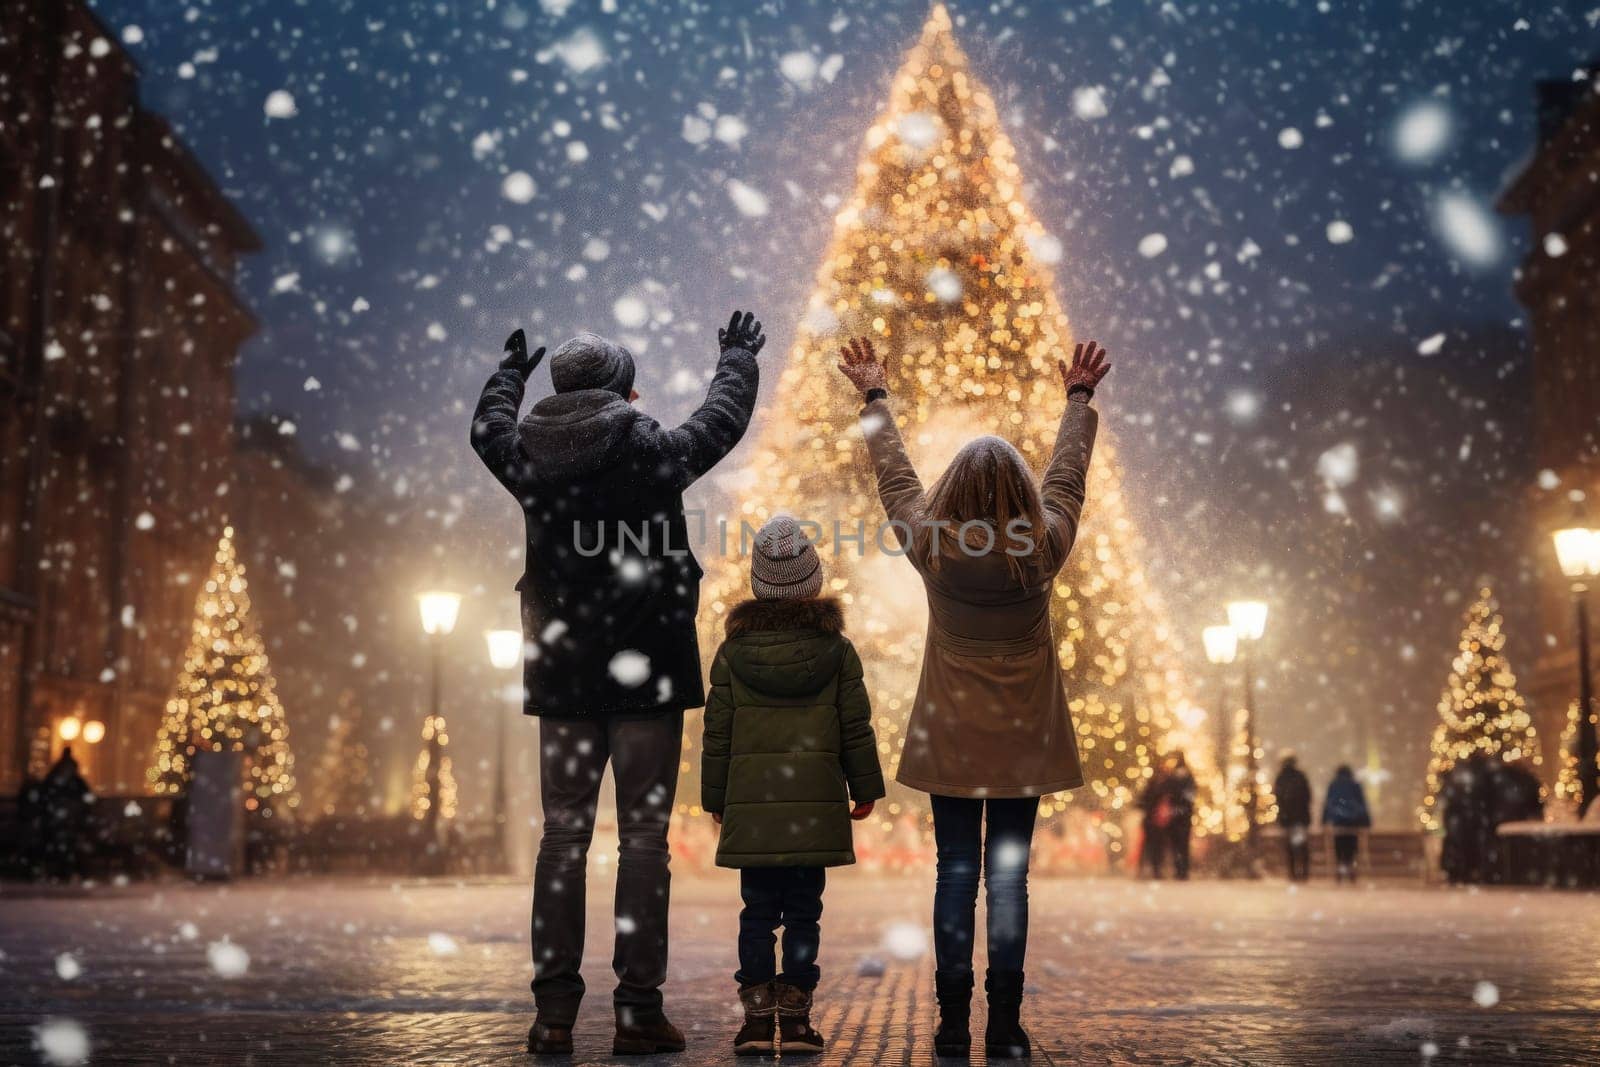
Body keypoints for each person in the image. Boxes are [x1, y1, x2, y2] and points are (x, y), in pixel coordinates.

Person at [471, 310, 765, 1056]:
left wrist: (510, 376)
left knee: (562, 838)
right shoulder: (651, 453)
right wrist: (735, 356)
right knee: (643, 840)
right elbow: (719, 421)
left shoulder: (527, 457)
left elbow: (485, 431)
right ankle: (637, 1009)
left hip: (564, 676)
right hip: (647, 676)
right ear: (624, 391)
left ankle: (553, 1015)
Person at [838, 334, 1110, 1060]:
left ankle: (953, 1016)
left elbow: (893, 478)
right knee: (1009, 880)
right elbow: (1067, 479)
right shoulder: (1042, 548)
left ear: (951, 488)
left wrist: (874, 397)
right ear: (1021, 491)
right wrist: (1078, 401)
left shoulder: (929, 540)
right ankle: (1006, 1020)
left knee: (955, 873)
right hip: (1023, 735)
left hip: (951, 733)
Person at [701, 516, 886, 1057]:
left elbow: (719, 734)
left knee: (756, 912)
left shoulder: (734, 654)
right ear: (812, 583)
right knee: (805, 911)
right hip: (814, 808)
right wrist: (864, 786)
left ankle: (757, 1021)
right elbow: (855, 724)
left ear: (759, 584)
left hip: (754, 809)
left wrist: (717, 799)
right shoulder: (836, 650)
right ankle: (799, 1019)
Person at [1320, 765, 1371, 884]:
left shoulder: (1334, 785)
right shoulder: (1355, 785)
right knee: (1351, 848)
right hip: (1352, 823)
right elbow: (1362, 803)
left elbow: (1328, 803)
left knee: (1339, 848)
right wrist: (1366, 821)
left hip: (1338, 823)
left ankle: (1340, 869)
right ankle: (1351, 868)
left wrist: (1324, 820)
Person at [1273, 753, 1313, 882]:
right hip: (1300, 818)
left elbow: (1278, 798)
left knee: (1290, 846)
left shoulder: (1281, 778)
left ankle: (1293, 873)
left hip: (1288, 819)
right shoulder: (1300, 776)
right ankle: (1304, 872)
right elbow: (1307, 796)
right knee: (1301, 845)